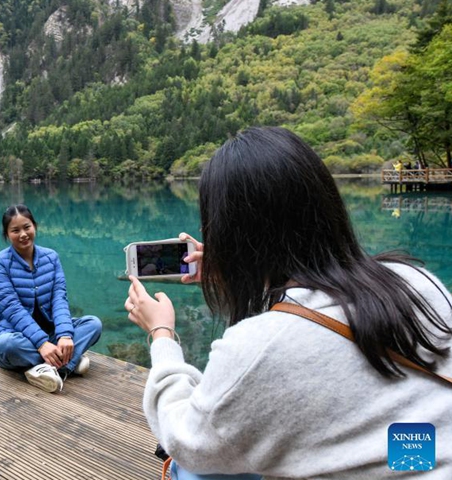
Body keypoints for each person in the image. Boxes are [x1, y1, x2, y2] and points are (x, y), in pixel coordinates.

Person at [125, 127, 452, 479]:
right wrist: (238, 271)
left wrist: (161, 335)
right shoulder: (416, 280)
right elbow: (309, 334)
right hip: (424, 456)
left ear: (228, 230)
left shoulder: (258, 348)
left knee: (193, 469)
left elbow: (186, 440)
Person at [0, 204, 102, 393]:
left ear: (35, 226)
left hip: (50, 332)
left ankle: (45, 368)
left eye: (27, 227)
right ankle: (67, 363)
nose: (23, 234)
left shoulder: (51, 257)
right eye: (15, 230)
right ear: (7, 234)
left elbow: (59, 298)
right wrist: (41, 343)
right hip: (15, 335)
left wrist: (64, 334)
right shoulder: (0, 263)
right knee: (6, 346)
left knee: (93, 324)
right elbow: (12, 308)